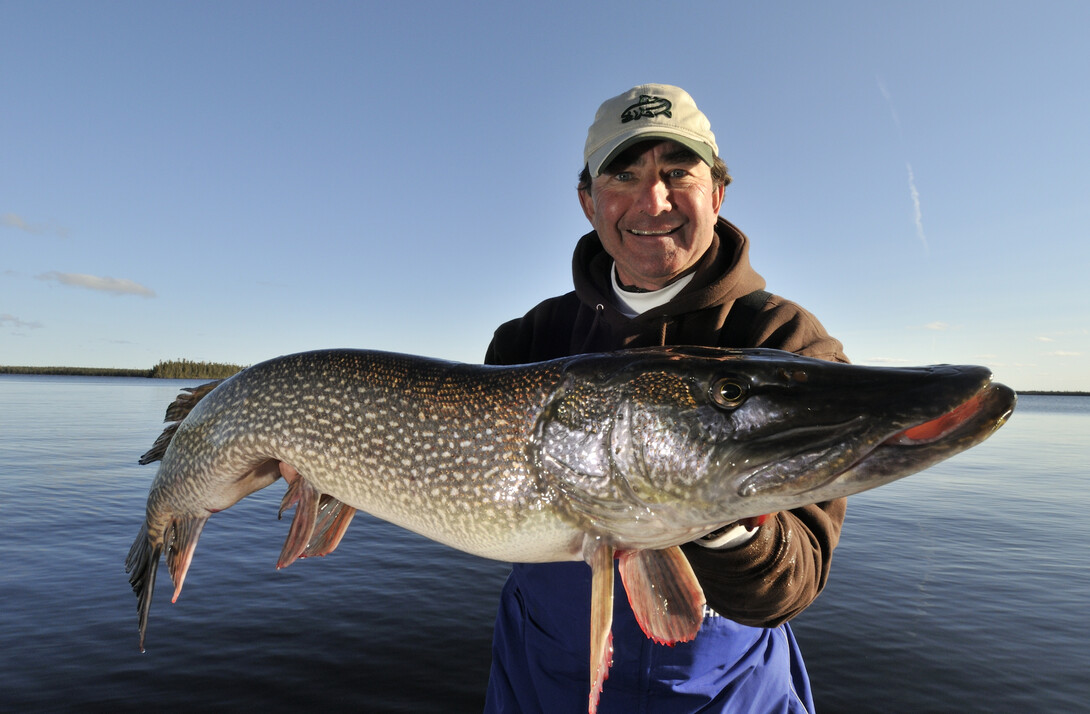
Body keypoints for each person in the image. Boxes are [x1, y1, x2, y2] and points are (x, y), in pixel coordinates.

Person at [482, 84, 850, 714]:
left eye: (677, 171)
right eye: (623, 174)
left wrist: (723, 516)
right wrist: (337, 464)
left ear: (717, 193)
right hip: (541, 673)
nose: (654, 201)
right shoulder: (528, 340)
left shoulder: (784, 341)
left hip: (723, 689)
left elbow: (794, 582)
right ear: (589, 202)